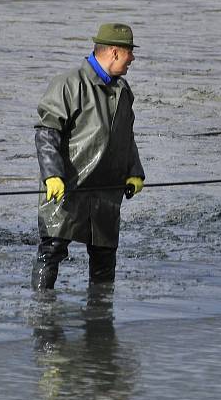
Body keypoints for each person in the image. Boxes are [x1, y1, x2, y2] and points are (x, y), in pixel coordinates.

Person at [32, 23, 145, 290]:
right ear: (115, 52)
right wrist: (52, 176)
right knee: (51, 252)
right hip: (68, 189)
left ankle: (101, 320)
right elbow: (47, 133)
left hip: (107, 192)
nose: (133, 59)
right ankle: (41, 311)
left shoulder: (123, 91)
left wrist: (135, 171)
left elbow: (125, 136)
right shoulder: (69, 84)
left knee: (105, 260)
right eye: (130, 52)